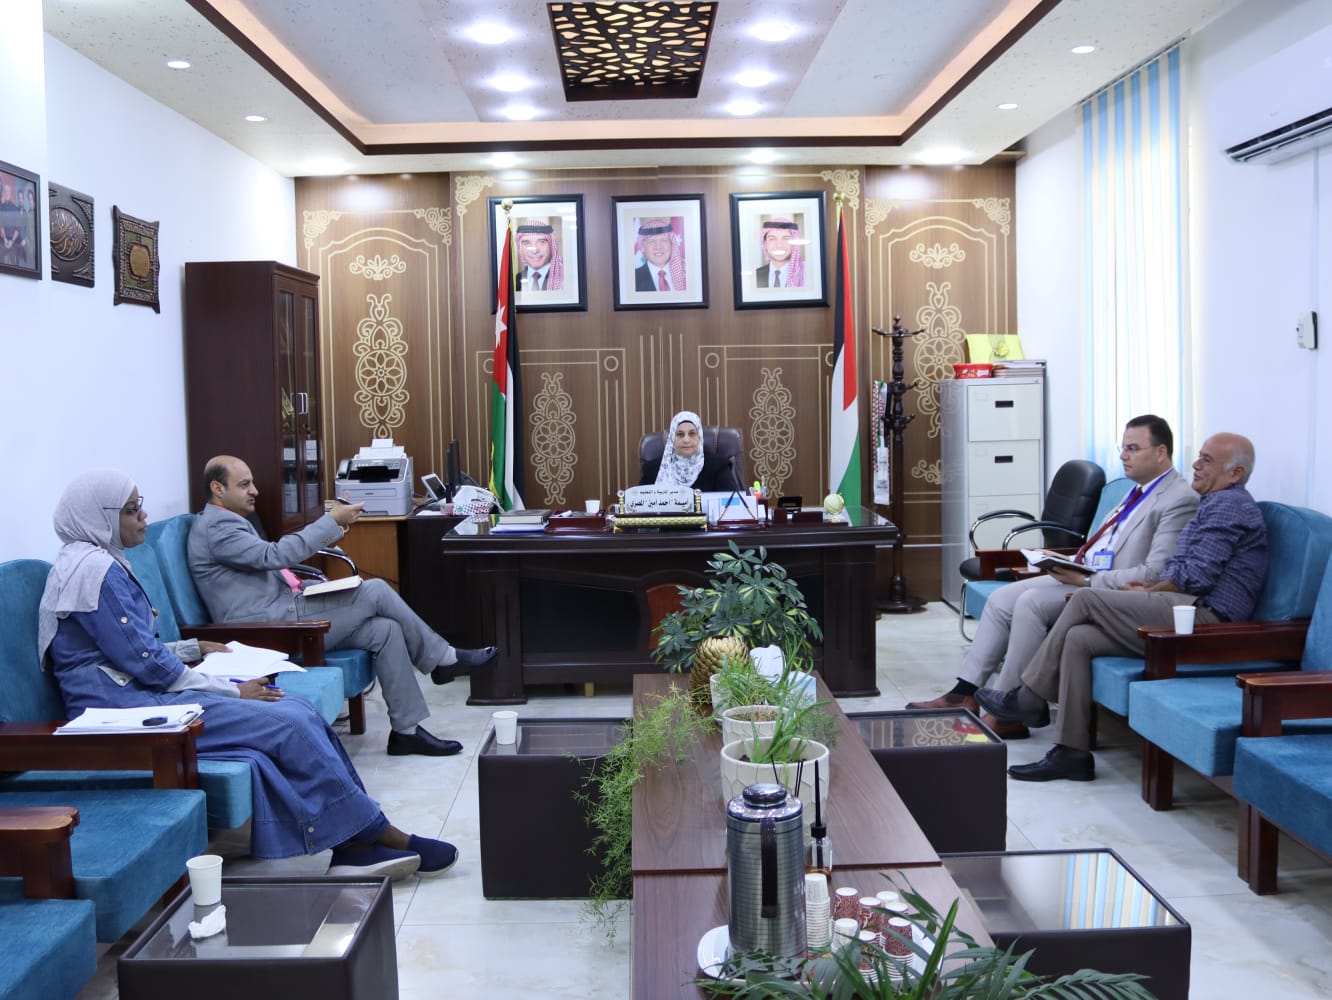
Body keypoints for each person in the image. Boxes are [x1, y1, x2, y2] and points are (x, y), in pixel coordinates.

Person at [38, 470, 459, 879]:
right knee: (287, 722)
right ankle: (373, 834)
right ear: (100, 518)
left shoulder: (95, 563)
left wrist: (192, 649)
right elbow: (146, 665)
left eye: (140, 506)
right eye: (132, 510)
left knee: (298, 709)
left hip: (138, 693)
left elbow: (127, 652)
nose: (143, 516)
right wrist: (233, 691)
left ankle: (358, 841)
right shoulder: (96, 573)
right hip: (125, 711)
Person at [978, 433, 1268, 781]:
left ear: (1235, 473)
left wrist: (1150, 591)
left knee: (1085, 597)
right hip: (1184, 607)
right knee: (1080, 639)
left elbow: (1196, 577)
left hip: (1206, 619)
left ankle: (1029, 696)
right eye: (1199, 456)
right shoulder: (1213, 502)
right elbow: (1182, 569)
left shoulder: (1229, 505)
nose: (1196, 464)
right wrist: (1149, 590)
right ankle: (1072, 752)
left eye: (1207, 459)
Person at [906, 415, 1198, 738]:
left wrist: (1087, 580)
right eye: (1122, 448)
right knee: (1001, 599)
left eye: (1133, 448)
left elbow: (1154, 573)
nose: (1123, 456)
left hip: (1110, 589)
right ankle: (965, 692)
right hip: (1083, 572)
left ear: (1161, 452)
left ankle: (1006, 711)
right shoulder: (1134, 491)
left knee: (1031, 603)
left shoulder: (1178, 499)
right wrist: (1066, 562)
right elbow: (1106, 544)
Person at [187, 456, 497, 757]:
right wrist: (331, 521)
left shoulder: (227, 521)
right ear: (218, 489)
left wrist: (312, 586)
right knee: (376, 590)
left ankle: (406, 732)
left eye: (251, 483)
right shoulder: (218, 527)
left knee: (385, 630)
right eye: (244, 484)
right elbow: (274, 556)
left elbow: (265, 571)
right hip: (266, 629)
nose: (254, 490)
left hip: (283, 610)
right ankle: (443, 659)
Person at [639, 410, 734, 491]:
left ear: (700, 437)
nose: (686, 440)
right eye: (680, 434)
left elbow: (732, 503)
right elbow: (640, 504)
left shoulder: (719, 466)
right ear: (672, 439)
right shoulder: (652, 469)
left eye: (692, 434)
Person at [633, 218, 686, 292]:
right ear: (642, 248)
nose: (658, 247)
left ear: (672, 244)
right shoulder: (633, 279)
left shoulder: (686, 276)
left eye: (664, 240)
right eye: (651, 241)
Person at [753, 216, 804, 289]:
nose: (779, 245)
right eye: (772, 239)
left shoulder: (804, 275)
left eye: (785, 238)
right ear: (765, 243)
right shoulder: (754, 276)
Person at [516, 217, 563, 292]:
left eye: (541, 242)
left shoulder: (564, 278)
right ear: (520, 248)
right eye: (527, 243)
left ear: (551, 245)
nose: (535, 251)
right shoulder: (515, 280)